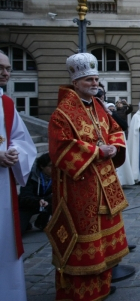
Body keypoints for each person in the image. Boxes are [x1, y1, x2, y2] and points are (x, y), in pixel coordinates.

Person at [48, 52, 129, 300]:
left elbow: (115, 128)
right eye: (88, 81)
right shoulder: (62, 113)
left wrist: (115, 146)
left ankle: (103, 284)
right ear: (75, 83)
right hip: (80, 189)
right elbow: (60, 148)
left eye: (96, 79)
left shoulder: (98, 107)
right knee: (84, 239)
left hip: (104, 184)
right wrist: (96, 151)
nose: (94, 84)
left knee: (103, 243)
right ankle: (80, 292)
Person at [0, 50, 36, 301]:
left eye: (8, 68)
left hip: (3, 183)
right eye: (0, 68)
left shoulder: (7, 104)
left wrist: (14, 152)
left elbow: (23, 140)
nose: (5, 73)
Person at [18, 152, 52, 234]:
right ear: (42, 166)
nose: (54, 168)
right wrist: (38, 201)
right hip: (29, 205)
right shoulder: (31, 176)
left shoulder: (56, 175)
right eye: (50, 166)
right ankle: (26, 224)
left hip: (46, 202)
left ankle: (41, 222)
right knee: (19, 231)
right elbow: (24, 197)